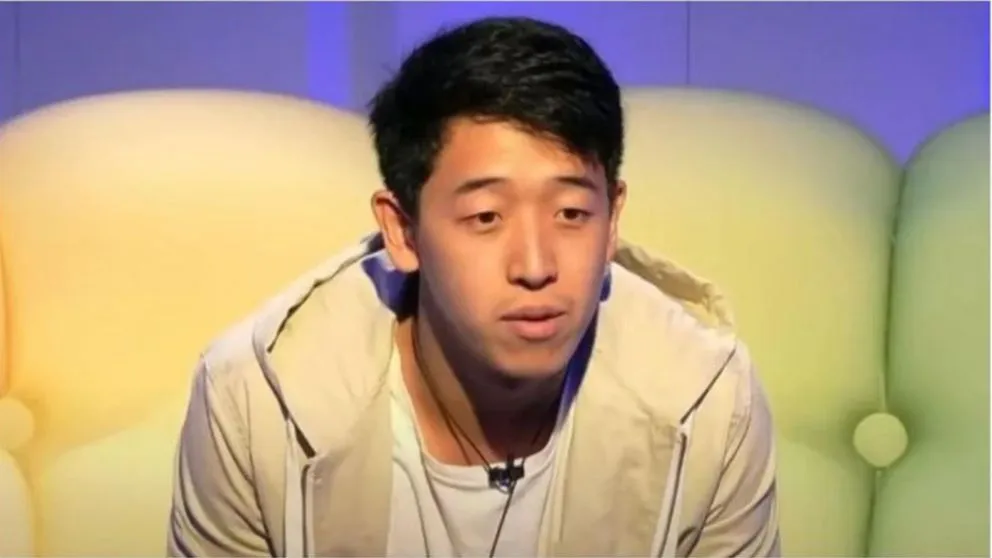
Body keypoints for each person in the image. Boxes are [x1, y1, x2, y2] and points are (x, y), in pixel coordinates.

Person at [166, 15, 780, 558]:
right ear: (402, 230)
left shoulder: (708, 400)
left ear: (613, 217)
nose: (535, 265)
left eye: (572, 213)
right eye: (486, 217)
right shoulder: (255, 402)